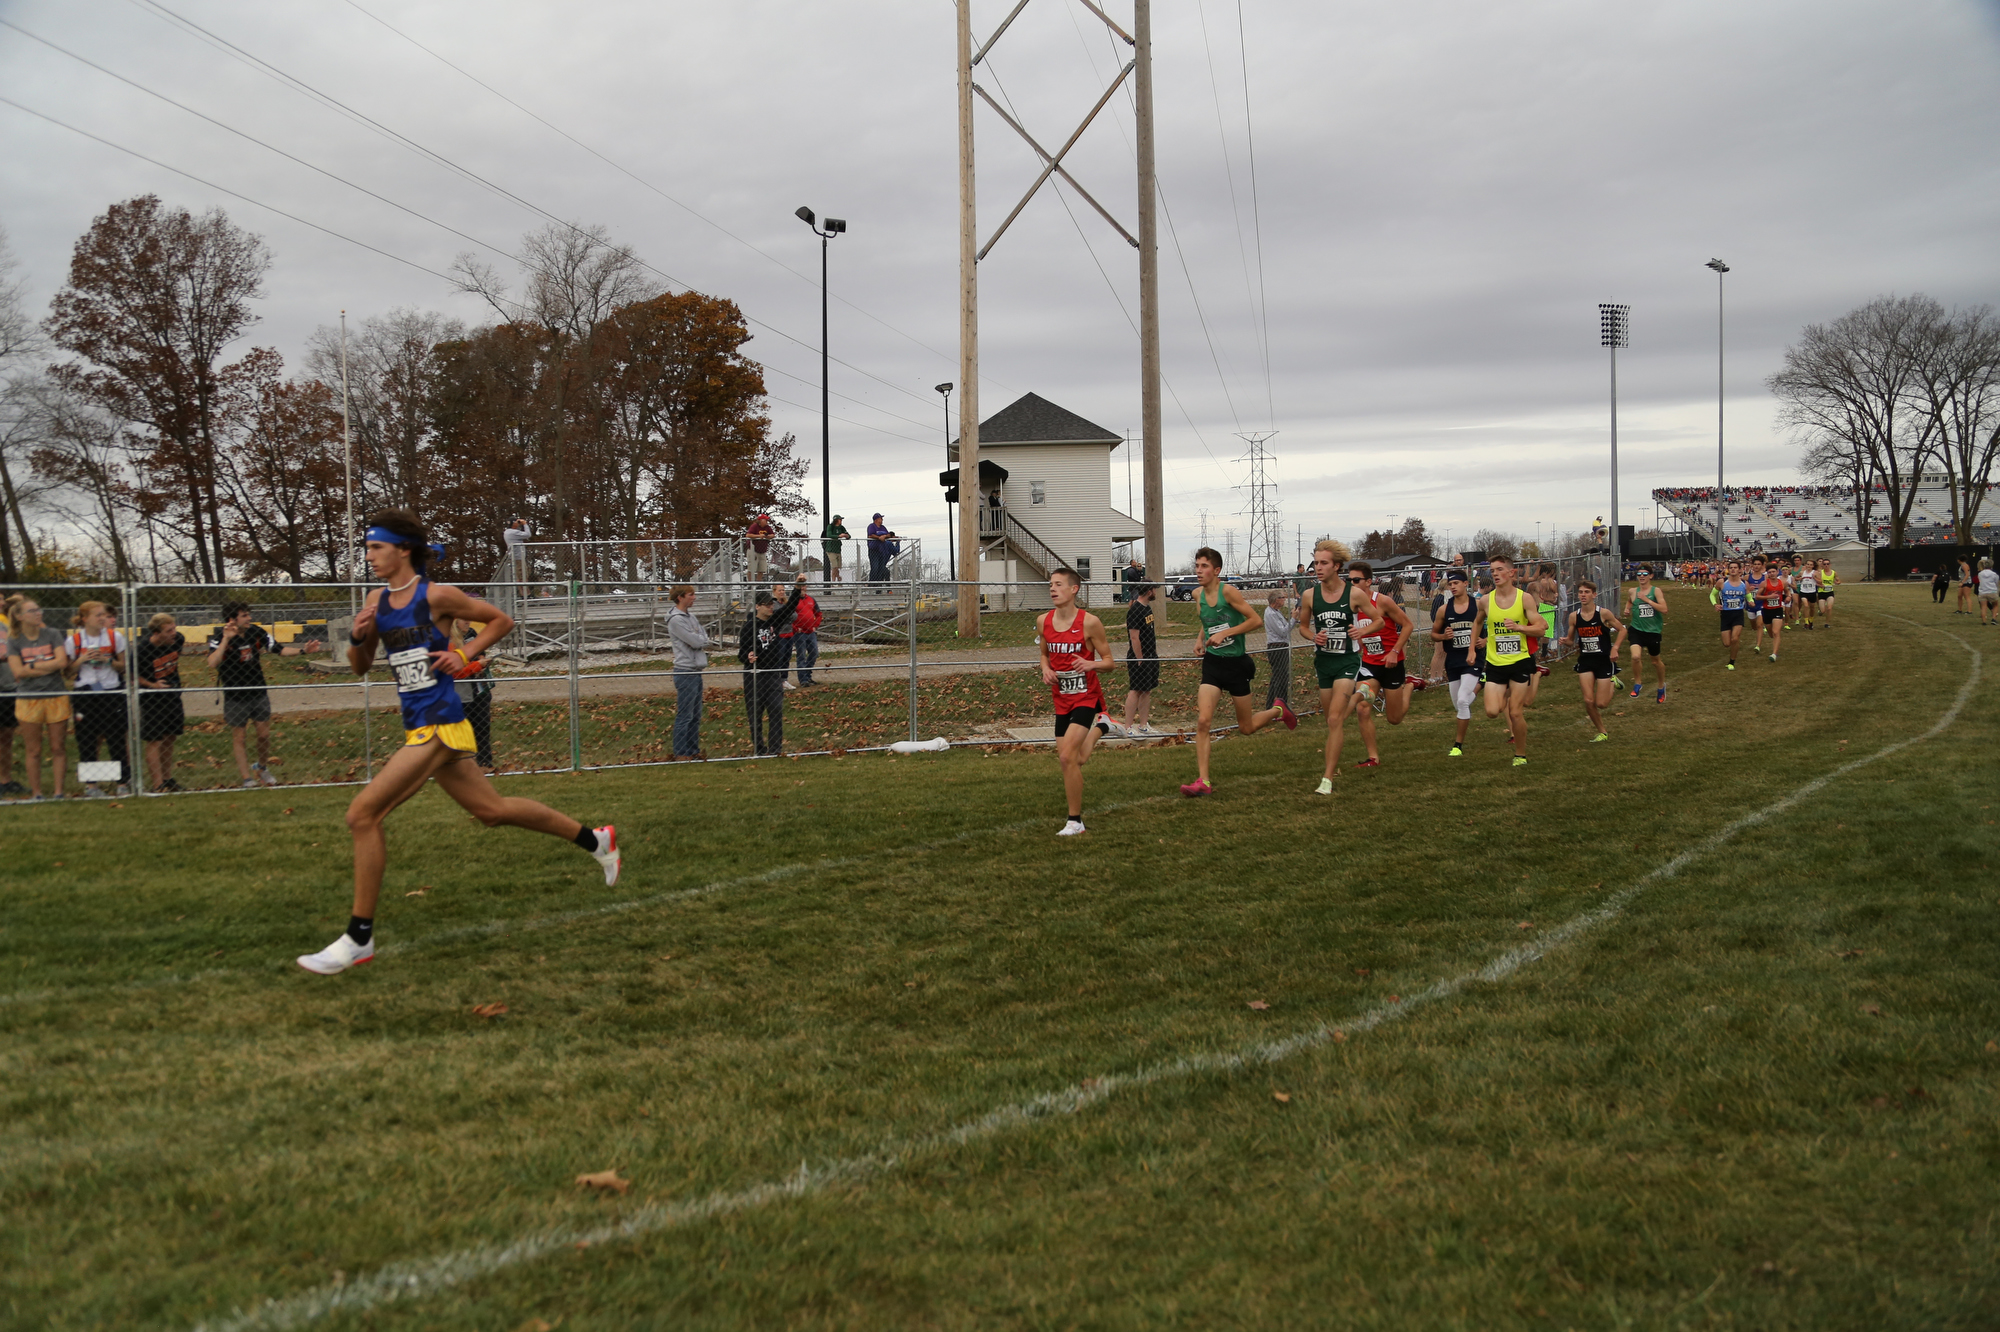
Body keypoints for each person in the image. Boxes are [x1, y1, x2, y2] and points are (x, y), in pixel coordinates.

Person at [296, 509, 620, 976]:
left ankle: (358, 938)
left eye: (375, 547)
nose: (368, 556)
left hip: (442, 721)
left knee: (362, 814)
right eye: (367, 548)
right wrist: (358, 634)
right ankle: (596, 839)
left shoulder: (437, 595)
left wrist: (462, 652)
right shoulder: (375, 599)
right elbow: (360, 665)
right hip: (417, 725)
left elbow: (500, 621)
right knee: (492, 812)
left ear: (402, 550)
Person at [1180, 546, 1296, 797]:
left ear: (1216, 570)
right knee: (1203, 721)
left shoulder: (1228, 592)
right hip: (1213, 663)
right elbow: (1207, 623)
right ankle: (1203, 781)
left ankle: (1278, 709)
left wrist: (1226, 633)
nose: (1198, 570)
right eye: (1197, 565)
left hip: (1237, 664)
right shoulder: (1197, 594)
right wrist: (1201, 639)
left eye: (1204, 566)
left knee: (1246, 727)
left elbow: (1254, 620)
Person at [1298, 539, 1384, 793]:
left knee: (1336, 718)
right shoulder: (1309, 595)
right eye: (1315, 562)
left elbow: (1379, 620)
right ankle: (1363, 693)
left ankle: (1327, 779)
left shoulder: (1354, 594)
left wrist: (1362, 631)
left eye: (1323, 563)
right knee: (1331, 720)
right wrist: (1314, 637)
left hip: (1347, 661)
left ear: (1336, 566)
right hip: (1323, 662)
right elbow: (1303, 627)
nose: (1318, 567)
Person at [1039, 567, 1119, 835]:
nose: (1052, 589)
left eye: (1059, 584)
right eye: (1051, 584)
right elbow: (1043, 654)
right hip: (1061, 698)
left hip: (1086, 697)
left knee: (1065, 757)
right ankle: (1103, 727)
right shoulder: (1043, 621)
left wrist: (1089, 663)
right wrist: (1045, 670)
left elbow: (1110, 663)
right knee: (1077, 758)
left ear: (1074, 589)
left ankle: (1075, 821)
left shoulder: (1090, 622)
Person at [207, 601, 311, 789]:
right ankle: (247, 778)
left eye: (249, 614)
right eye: (245, 615)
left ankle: (261, 768)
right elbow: (212, 662)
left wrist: (303, 650)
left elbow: (278, 649)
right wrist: (226, 639)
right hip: (235, 695)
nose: (250, 618)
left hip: (258, 691)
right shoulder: (218, 636)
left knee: (263, 734)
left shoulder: (256, 632)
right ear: (232, 619)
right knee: (239, 737)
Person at [1467, 554, 1546, 767]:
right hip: (1495, 663)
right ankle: (1516, 686)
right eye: (1492, 570)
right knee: (1492, 711)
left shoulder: (1524, 599)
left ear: (1511, 573)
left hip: (1520, 661)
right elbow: (1477, 623)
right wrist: (1472, 649)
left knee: (1515, 711)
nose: (1495, 574)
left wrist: (1520, 627)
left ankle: (1520, 754)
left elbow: (1541, 627)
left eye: (1500, 569)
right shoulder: (1485, 600)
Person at [1348, 562, 1416, 768]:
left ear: (1368, 581)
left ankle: (1411, 685)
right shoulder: (1353, 606)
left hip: (1391, 665)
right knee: (1362, 708)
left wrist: (1395, 652)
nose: (1352, 584)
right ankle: (1373, 758)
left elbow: (1407, 625)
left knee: (1394, 719)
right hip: (1370, 667)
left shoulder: (1383, 601)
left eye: (1356, 580)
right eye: (1349, 580)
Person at [5, 596, 71, 800]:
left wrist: (32, 666)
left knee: (57, 747)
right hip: (28, 699)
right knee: (33, 750)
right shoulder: (14, 641)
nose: (38, 613)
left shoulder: (51, 634)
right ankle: (37, 793)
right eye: (32, 611)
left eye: (39, 610)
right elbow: (18, 672)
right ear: (19, 616)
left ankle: (59, 792)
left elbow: (61, 662)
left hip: (56, 695)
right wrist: (45, 666)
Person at [65, 600, 131, 797]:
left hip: (111, 692)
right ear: (85, 619)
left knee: (116, 737)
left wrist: (108, 660)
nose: (103, 619)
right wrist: (81, 660)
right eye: (98, 615)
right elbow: (67, 672)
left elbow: (124, 666)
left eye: (104, 615)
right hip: (85, 694)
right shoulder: (74, 641)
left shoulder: (114, 637)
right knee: (87, 739)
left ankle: (122, 783)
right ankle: (92, 785)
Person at [739, 578, 805, 757]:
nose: (771, 608)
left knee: (776, 711)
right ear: (758, 607)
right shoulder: (749, 627)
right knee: (755, 715)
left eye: (771, 604)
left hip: (773, 674)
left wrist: (797, 588)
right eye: (767, 605)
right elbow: (741, 653)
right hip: (755, 676)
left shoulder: (773, 622)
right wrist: (748, 656)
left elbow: (790, 607)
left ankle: (775, 749)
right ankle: (759, 749)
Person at [1562, 580, 1624, 743]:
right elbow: (1571, 640)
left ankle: (1613, 679)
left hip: (1604, 661)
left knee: (1601, 704)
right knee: (1588, 701)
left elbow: (1622, 630)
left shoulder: (1603, 614)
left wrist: (1615, 648)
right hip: (1586, 661)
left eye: (1587, 592)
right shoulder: (1574, 616)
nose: (1583, 595)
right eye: (1581, 592)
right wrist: (1564, 641)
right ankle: (1602, 731)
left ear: (1594, 595)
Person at [1430, 569, 1479, 757]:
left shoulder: (1479, 605)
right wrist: (1443, 636)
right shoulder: (1444, 609)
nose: (1453, 587)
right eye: (1450, 584)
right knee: (1458, 704)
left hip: (1473, 658)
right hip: (1453, 660)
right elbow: (1434, 634)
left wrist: (1485, 640)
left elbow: (1493, 626)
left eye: (1456, 583)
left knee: (1462, 700)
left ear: (1466, 584)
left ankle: (1458, 745)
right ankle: (1479, 685)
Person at [135, 612, 187, 793]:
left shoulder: (177, 640)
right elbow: (134, 677)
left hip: (172, 696)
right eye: (169, 630)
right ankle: (157, 784)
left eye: (174, 628)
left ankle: (167, 778)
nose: (174, 633)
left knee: (170, 737)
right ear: (157, 633)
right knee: (154, 740)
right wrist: (152, 685)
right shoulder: (143, 650)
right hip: (152, 701)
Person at [666, 584, 711, 759]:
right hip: (685, 672)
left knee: (695, 715)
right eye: (691, 594)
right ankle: (680, 752)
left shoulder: (691, 617)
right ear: (681, 597)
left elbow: (703, 637)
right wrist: (699, 639)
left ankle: (693, 750)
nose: (694, 598)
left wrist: (699, 639)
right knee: (685, 715)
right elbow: (696, 641)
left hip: (696, 670)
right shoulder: (676, 620)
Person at [451, 617, 498, 771]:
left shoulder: (471, 633)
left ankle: (485, 762)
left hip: (479, 687)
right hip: (462, 691)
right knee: (465, 728)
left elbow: (480, 651)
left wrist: (482, 660)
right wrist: (477, 665)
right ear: (454, 621)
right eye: (463, 619)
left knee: (483, 724)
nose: (468, 622)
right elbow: (456, 672)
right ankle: (465, 764)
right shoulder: (448, 641)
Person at [1624, 566, 1668, 701]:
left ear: (1651, 576)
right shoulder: (1632, 591)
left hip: (1653, 631)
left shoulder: (1656, 591)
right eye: (1639, 574)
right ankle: (1638, 683)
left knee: (1656, 662)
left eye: (1645, 574)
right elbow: (1630, 601)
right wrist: (1627, 608)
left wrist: (1647, 600)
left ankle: (1661, 686)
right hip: (1636, 630)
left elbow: (1664, 609)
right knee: (1635, 657)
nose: (1641, 576)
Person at [1122, 581, 1161, 733]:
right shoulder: (1135, 610)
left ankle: (1143, 725)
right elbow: (1134, 638)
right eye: (1154, 590)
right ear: (1149, 591)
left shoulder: (1147, 608)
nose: (1155, 593)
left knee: (1147, 690)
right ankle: (1128, 726)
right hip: (1139, 657)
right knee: (1136, 690)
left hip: (1151, 655)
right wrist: (1140, 658)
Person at [1712, 560, 1749, 670]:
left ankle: (1732, 662)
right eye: (1731, 567)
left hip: (1738, 613)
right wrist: (1715, 604)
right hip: (1725, 615)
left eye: (1735, 567)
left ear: (1740, 570)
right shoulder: (1722, 582)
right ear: (1728, 569)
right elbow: (1712, 595)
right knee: (1727, 643)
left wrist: (1750, 601)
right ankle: (1732, 654)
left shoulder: (1744, 583)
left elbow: (1748, 595)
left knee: (1735, 639)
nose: (1733, 569)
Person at [0, 594, 20, 798]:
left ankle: (5, 779)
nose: (2, 603)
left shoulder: (6, 626)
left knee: (6, 736)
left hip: (8, 686)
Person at [1263, 590, 1295, 712]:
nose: (1284, 599)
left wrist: (1294, 619)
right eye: (1282, 597)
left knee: (1279, 676)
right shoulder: (1270, 613)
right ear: (1276, 600)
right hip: (1276, 647)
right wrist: (1293, 619)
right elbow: (1282, 631)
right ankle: (1279, 705)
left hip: (1282, 645)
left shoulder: (1277, 612)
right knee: (1280, 677)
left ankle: (1274, 705)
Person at [1755, 560, 1788, 663]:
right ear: (1767, 573)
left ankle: (1774, 654)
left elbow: (1787, 592)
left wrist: (1789, 597)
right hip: (1767, 610)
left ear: (1777, 572)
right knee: (1770, 632)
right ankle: (1773, 640)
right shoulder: (1764, 584)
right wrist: (1769, 596)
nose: (1772, 574)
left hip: (1778, 609)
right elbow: (1757, 596)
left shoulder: (1782, 583)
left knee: (1776, 632)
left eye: (1773, 571)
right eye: (1769, 572)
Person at [746, 512, 776, 581]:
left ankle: (758, 583)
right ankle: (750, 583)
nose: (766, 521)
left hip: (762, 551)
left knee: (762, 569)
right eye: (765, 520)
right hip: (753, 550)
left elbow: (773, 535)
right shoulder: (754, 526)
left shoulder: (767, 527)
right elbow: (748, 535)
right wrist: (759, 536)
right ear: (760, 520)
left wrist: (768, 536)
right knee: (751, 568)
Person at [820, 514, 850, 584]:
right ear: (836, 520)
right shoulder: (830, 526)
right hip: (830, 549)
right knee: (834, 566)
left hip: (838, 549)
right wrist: (838, 536)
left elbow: (848, 535)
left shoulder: (841, 527)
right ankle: (833, 582)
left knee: (838, 567)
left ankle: (838, 576)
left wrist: (846, 535)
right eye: (840, 519)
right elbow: (829, 535)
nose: (841, 521)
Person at [866, 513, 893, 582]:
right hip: (874, 550)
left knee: (881, 568)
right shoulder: (871, 526)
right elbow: (871, 535)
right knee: (875, 567)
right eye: (881, 518)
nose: (882, 520)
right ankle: (872, 583)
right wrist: (879, 537)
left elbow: (888, 534)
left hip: (882, 550)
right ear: (876, 519)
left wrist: (885, 536)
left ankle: (879, 584)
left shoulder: (883, 527)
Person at [1817, 558, 1839, 626]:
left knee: (1829, 608)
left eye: (1827, 564)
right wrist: (1820, 585)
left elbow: (1838, 580)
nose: (1826, 565)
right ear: (1822, 565)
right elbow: (1815, 582)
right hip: (1821, 593)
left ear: (1830, 565)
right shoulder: (1820, 572)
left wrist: (1837, 582)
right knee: (1823, 610)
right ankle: (1820, 612)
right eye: (1824, 564)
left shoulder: (1834, 572)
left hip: (1830, 592)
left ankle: (1827, 623)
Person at [1979, 556, 1999, 626]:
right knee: (1995, 605)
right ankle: (1994, 619)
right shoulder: (1994, 574)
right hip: (1992, 591)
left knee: (1983, 607)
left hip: (1982, 591)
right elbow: (1996, 582)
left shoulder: (1980, 574)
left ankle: (1984, 621)